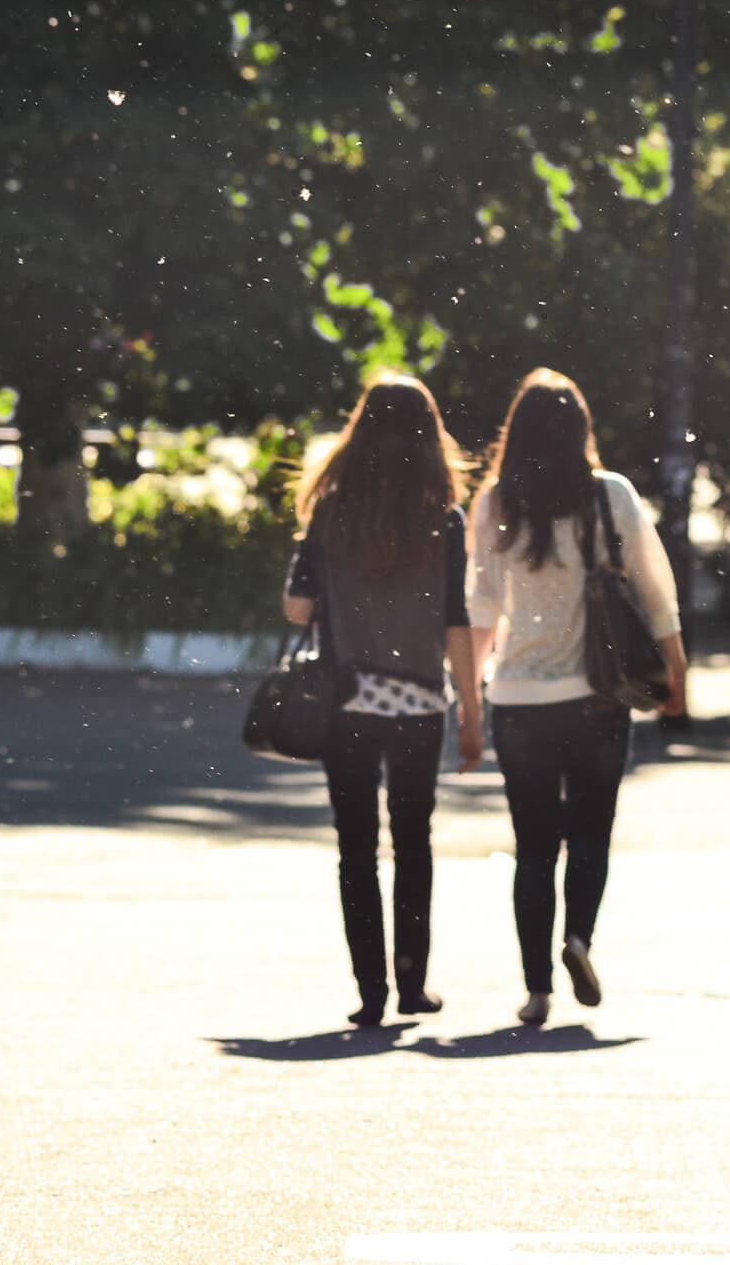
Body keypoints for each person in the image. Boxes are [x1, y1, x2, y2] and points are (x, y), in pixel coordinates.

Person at [468, 368, 687, 1028]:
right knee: (590, 832)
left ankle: (536, 989)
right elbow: (656, 593)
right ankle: (579, 940)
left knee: (533, 845)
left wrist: (470, 708)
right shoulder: (610, 496)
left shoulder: (497, 502)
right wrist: (676, 677)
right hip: (596, 696)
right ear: (581, 430)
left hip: (517, 699)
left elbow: (480, 607)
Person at [283, 374, 485, 1028]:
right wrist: (473, 713)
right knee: (414, 843)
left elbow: (297, 609)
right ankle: (411, 984)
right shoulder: (444, 520)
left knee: (356, 850)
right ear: (430, 439)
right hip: (420, 704)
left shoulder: (331, 512)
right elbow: (457, 621)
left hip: (346, 703)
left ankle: (369, 991)